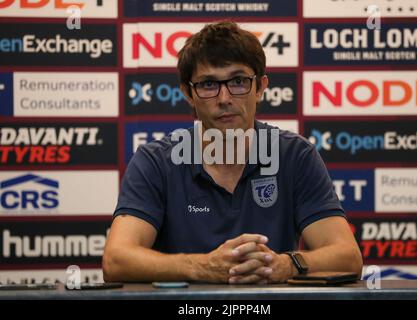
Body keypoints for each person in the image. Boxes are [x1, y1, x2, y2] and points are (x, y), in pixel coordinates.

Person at [103, 21, 362, 284]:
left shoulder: (295, 155)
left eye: (238, 81)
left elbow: (347, 257)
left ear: (260, 87)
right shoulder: (155, 161)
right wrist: (203, 266)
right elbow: (116, 260)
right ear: (188, 94)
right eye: (208, 84)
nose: (224, 98)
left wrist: (285, 264)